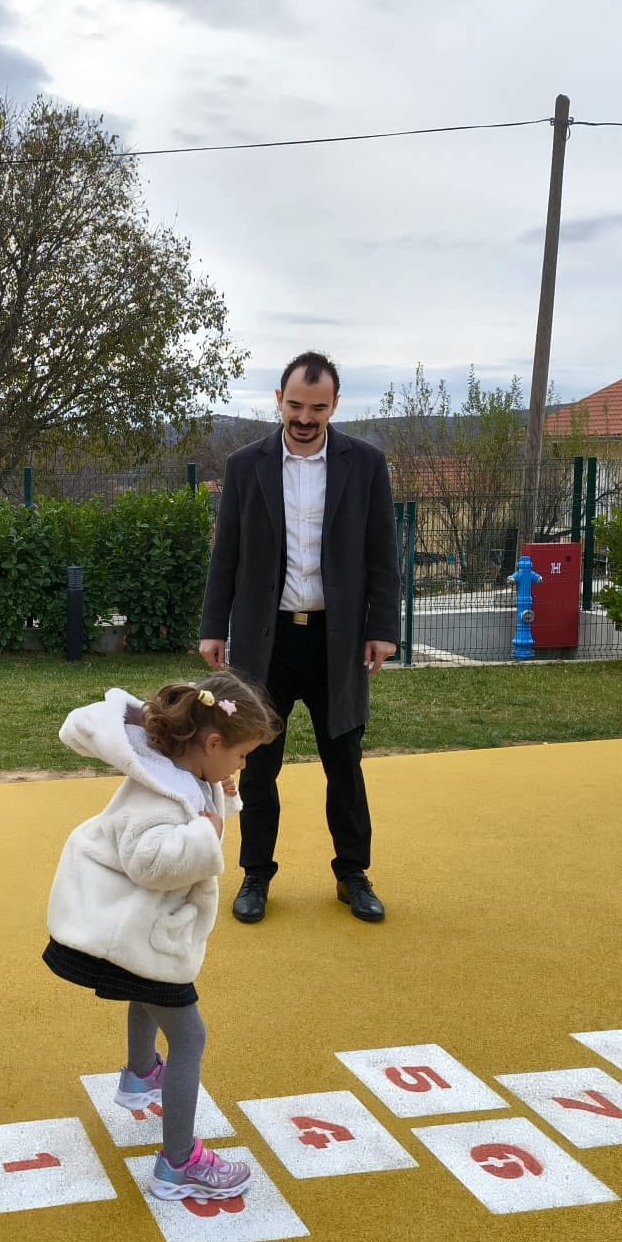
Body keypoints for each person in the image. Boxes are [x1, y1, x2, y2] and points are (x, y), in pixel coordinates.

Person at [43, 672, 281, 1200]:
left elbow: (197, 810)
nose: (243, 766)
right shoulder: (157, 794)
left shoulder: (184, 771)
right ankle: (179, 1164)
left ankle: (140, 1075)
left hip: (141, 933)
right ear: (212, 744)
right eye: (241, 755)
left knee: (147, 990)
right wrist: (206, 835)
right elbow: (150, 861)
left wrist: (221, 799)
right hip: (133, 929)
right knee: (190, 1036)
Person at [198, 349, 401, 925]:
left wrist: (382, 629)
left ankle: (353, 874)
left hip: (339, 642)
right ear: (278, 401)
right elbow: (226, 553)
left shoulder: (366, 465)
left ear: (334, 406)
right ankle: (255, 875)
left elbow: (382, 553)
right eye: (295, 406)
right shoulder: (246, 465)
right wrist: (213, 627)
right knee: (259, 765)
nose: (305, 418)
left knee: (345, 763)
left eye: (318, 408)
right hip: (266, 643)